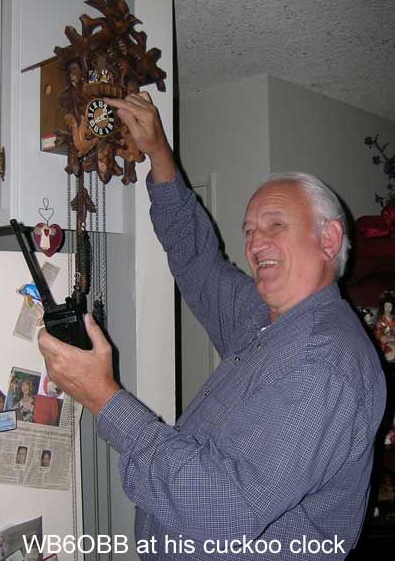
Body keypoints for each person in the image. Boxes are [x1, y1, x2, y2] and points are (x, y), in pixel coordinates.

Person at [39, 93, 387, 560]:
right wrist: (160, 154)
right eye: (249, 230)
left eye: (275, 225)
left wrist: (104, 398)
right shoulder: (266, 318)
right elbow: (198, 261)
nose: (255, 243)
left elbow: (226, 510)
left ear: (329, 239)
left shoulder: (324, 362)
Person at [374, 297, 395, 362]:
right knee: (389, 356)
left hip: (393, 339)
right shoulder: (380, 320)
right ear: (383, 307)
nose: (388, 308)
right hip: (385, 342)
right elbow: (377, 334)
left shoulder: (394, 318)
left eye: (390, 306)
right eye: (386, 306)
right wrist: (382, 337)